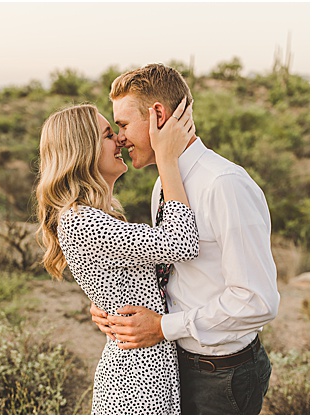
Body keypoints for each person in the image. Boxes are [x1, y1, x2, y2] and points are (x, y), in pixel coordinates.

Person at [90, 64, 280, 415]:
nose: (120, 138)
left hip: (221, 376)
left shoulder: (224, 184)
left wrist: (163, 327)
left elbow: (257, 301)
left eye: (124, 125)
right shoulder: (165, 183)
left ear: (157, 114)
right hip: (177, 364)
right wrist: (111, 304)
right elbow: (169, 270)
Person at [36, 100, 198, 413]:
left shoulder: (98, 215)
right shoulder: (83, 221)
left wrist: (105, 303)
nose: (120, 140)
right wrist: (167, 159)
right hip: (135, 383)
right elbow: (182, 242)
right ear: (83, 151)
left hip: (146, 369)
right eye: (109, 135)